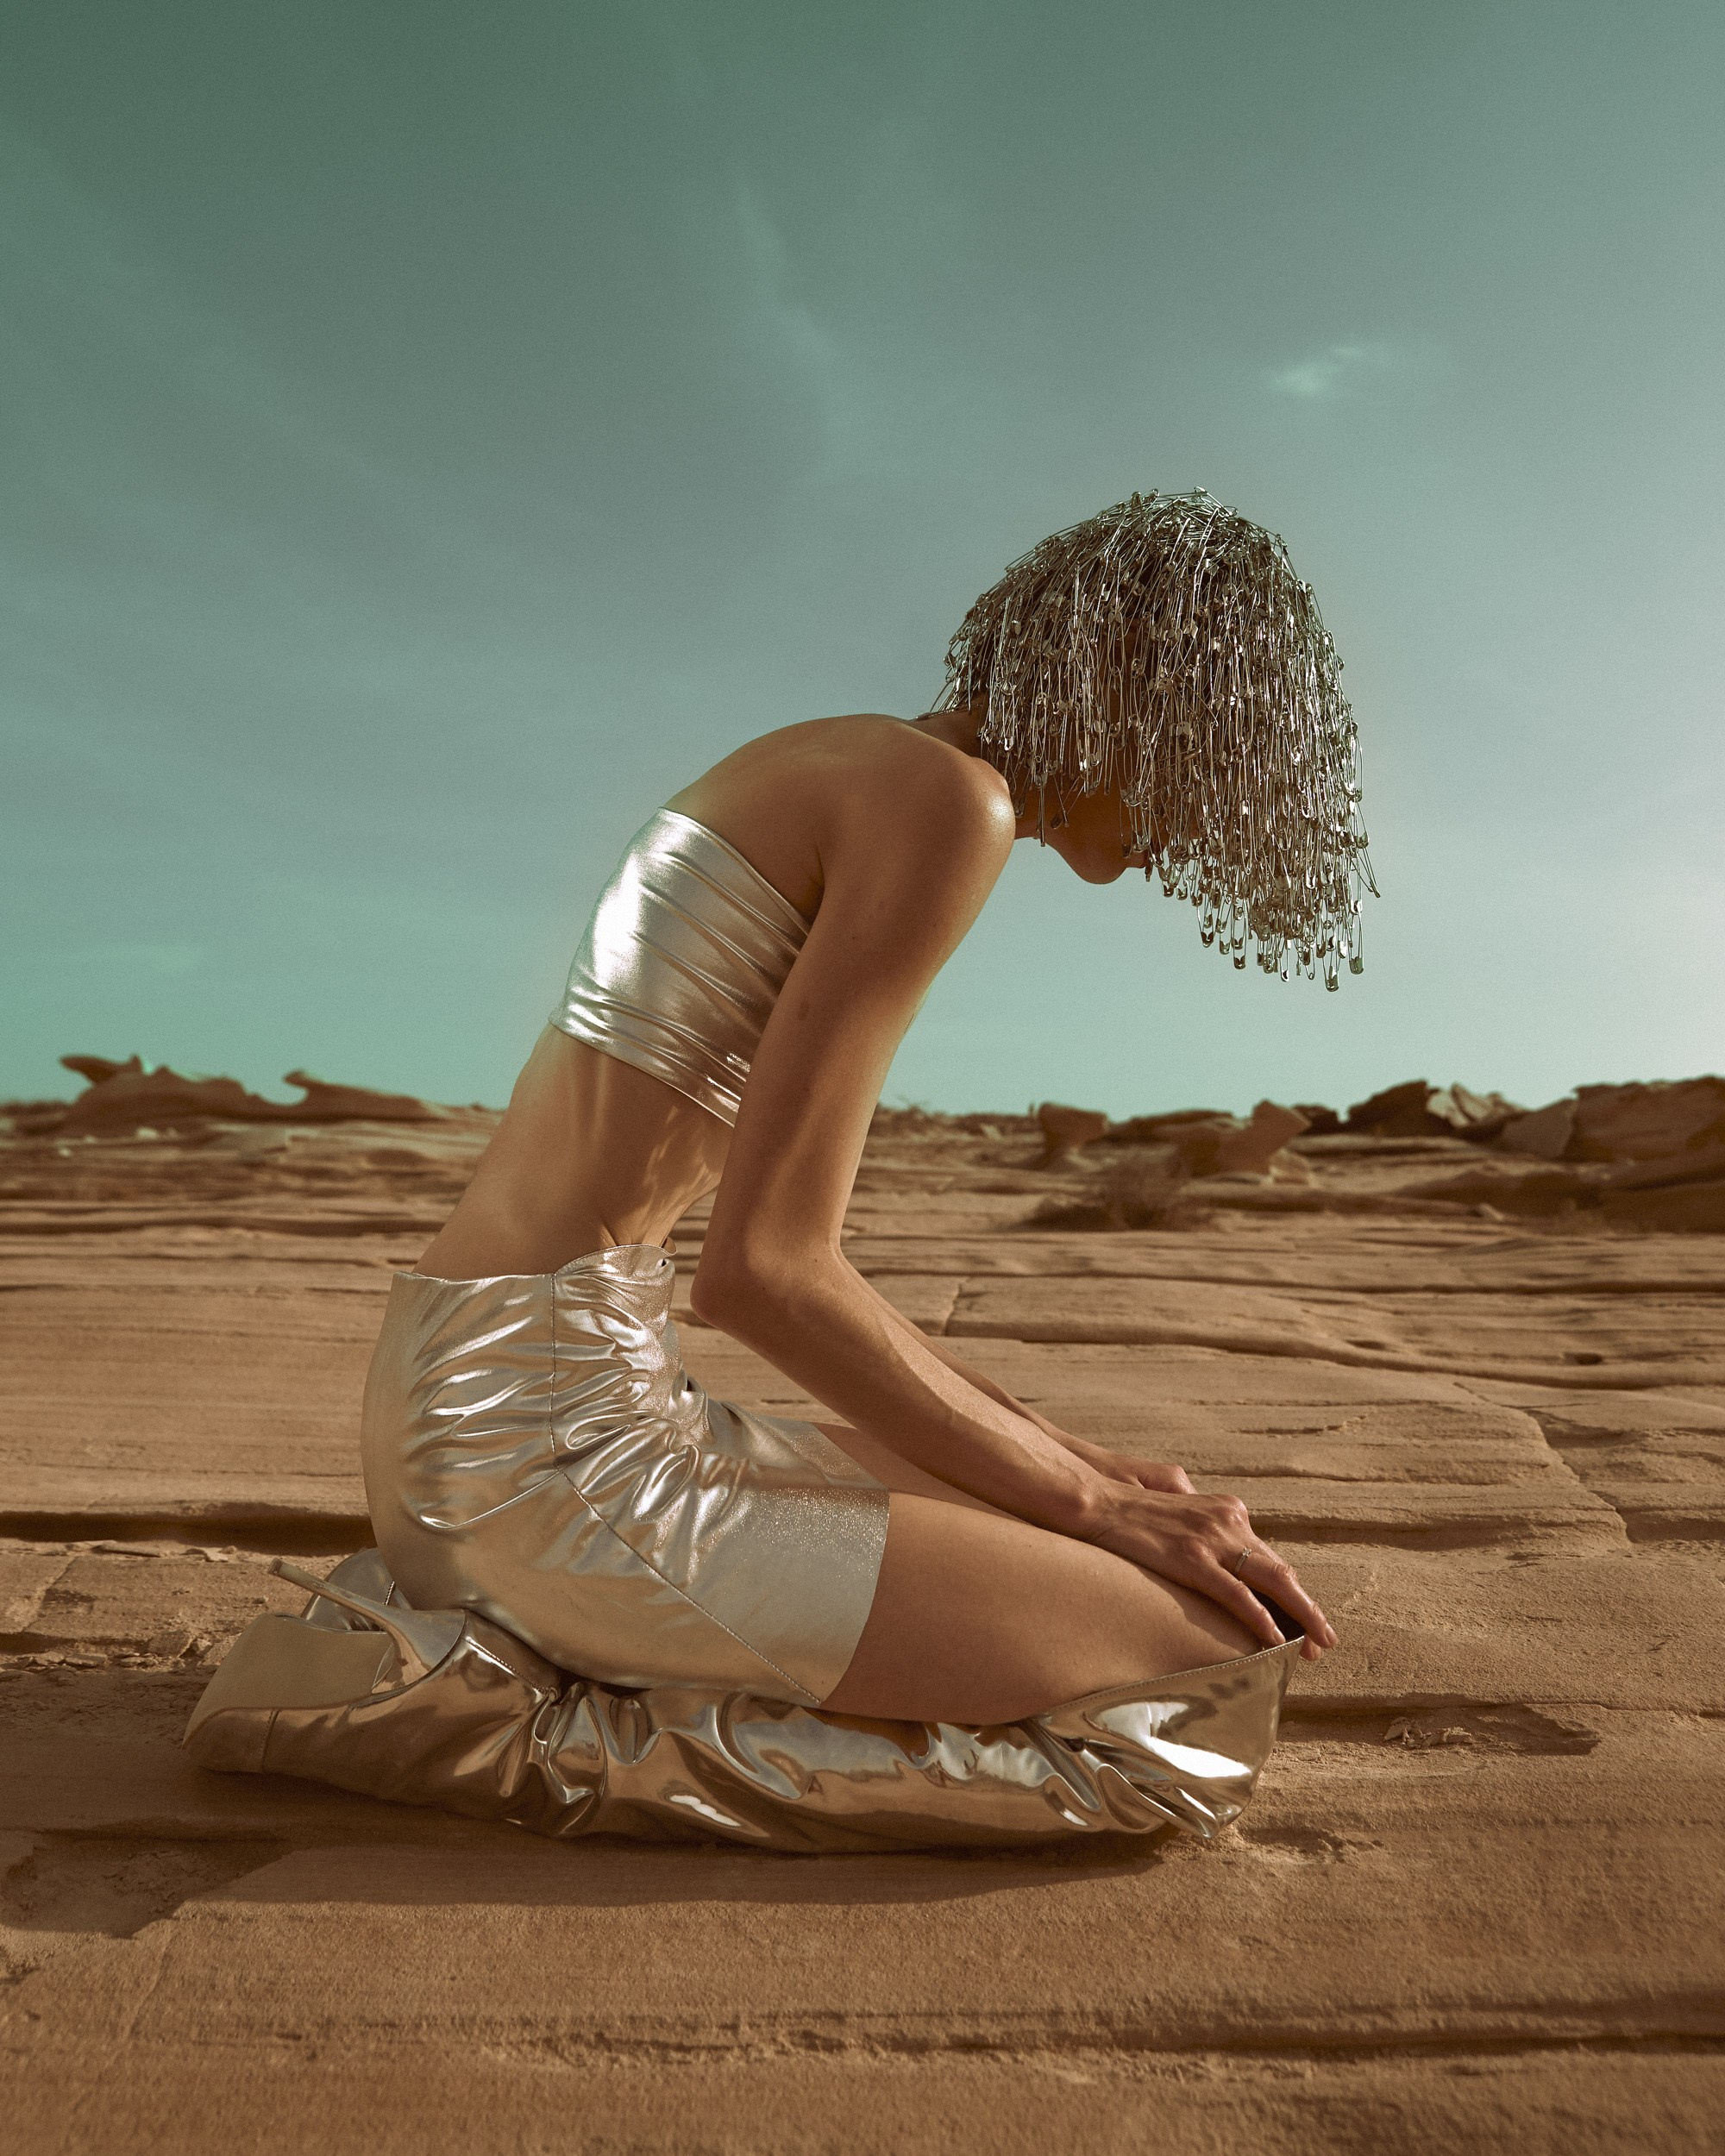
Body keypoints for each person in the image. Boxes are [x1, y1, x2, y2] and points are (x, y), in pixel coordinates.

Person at [354, 487, 1372, 1738]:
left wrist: (1076, 1462)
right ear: (1117, 680)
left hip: (487, 1398)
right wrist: (1098, 1508)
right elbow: (767, 1273)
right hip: (544, 1457)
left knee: (1083, 1526)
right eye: (1208, 749)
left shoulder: (839, 754)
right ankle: (459, 1731)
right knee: (1203, 1665)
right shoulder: (947, 805)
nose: (1207, 817)